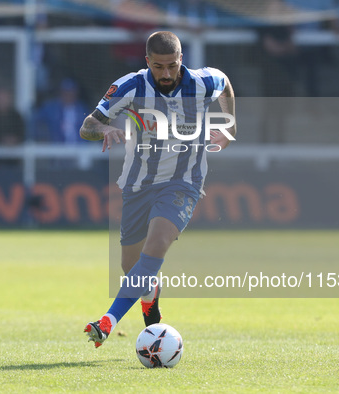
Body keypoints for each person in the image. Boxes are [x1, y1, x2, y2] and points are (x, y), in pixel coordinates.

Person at [80, 31, 236, 347]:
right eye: (159, 67)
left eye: (172, 66)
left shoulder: (203, 82)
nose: (166, 74)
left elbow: (226, 84)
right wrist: (106, 128)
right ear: (147, 61)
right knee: (132, 266)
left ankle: (106, 322)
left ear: (181, 61)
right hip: (137, 185)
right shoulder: (130, 87)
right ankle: (149, 299)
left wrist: (230, 126)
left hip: (184, 182)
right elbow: (88, 126)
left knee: (156, 247)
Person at [34, 78, 88, 144]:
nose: (68, 95)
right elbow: (38, 122)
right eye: (66, 92)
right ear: (60, 93)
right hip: (56, 149)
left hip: (80, 149)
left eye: (71, 92)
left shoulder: (82, 109)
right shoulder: (51, 109)